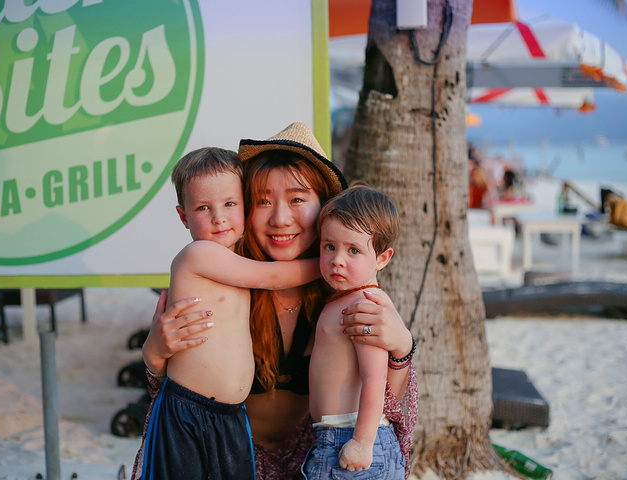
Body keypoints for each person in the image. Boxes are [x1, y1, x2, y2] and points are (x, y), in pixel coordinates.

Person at [133, 123, 418, 480]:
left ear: (326, 207)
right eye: (263, 201)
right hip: (229, 458)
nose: (280, 219)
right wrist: (154, 356)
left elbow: (391, 407)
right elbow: (179, 396)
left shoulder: (346, 294)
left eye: (298, 199)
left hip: (315, 462)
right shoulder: (223, 280)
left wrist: (402, 348)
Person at [140, 147, 321, 479]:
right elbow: (273, 277)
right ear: (183, 217)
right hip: (189, 410)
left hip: (230, 417)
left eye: (229, 205)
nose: (218, 218)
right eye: (203, 208)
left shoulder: (236, 259)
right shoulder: (200, 254)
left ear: (244, 205)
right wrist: (329, 262)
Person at [304, 183, 411, 479]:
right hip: (337, 436)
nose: (337, 259)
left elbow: (374, 376)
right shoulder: (346, 297)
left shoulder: (365, 305)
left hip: (350, 438)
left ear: (382, 258)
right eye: (329, 246)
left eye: (353, 250)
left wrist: (362, 442)